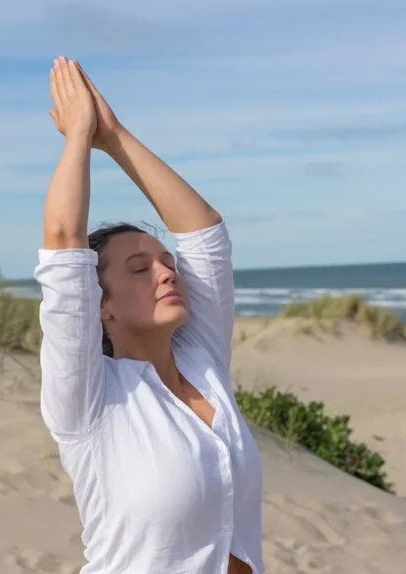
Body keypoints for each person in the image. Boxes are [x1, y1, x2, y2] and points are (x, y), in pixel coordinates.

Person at [33, 56, 264, 574]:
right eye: (140, 269)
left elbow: (204, 235)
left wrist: (114, 137)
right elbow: (65, 245)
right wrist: (79, 137)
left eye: (166, 262)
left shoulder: (203, 360)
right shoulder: (89, 401)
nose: (166, 273)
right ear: (102, 305)